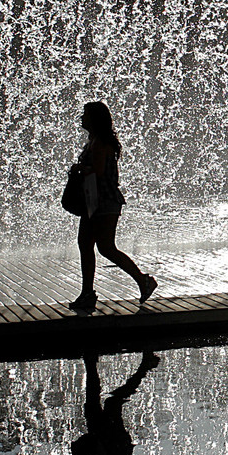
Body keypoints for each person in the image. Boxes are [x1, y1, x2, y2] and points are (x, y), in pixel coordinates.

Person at [69, 101, 156, 310]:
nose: (82, 118)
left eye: (86, 115)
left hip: (104, 202)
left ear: (95, 119)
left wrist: (79, 169)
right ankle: (87, 293)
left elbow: (97, 171)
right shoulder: (95, 140)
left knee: (105, 247)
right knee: (86, 244)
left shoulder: (100, 143)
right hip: (95, 201)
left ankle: (143, 281)